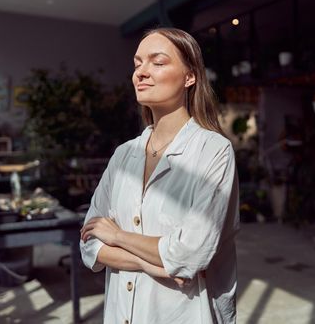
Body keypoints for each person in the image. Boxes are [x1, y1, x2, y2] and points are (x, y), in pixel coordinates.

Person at [80, 27, 239, 324]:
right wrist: (156, 264)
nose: (141, 72)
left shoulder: (213, 151)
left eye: (158, 62)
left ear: (190, 76)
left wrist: (116, 236)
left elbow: (190, 255)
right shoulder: (123, 155)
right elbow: (89, 244)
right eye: (137, 63)